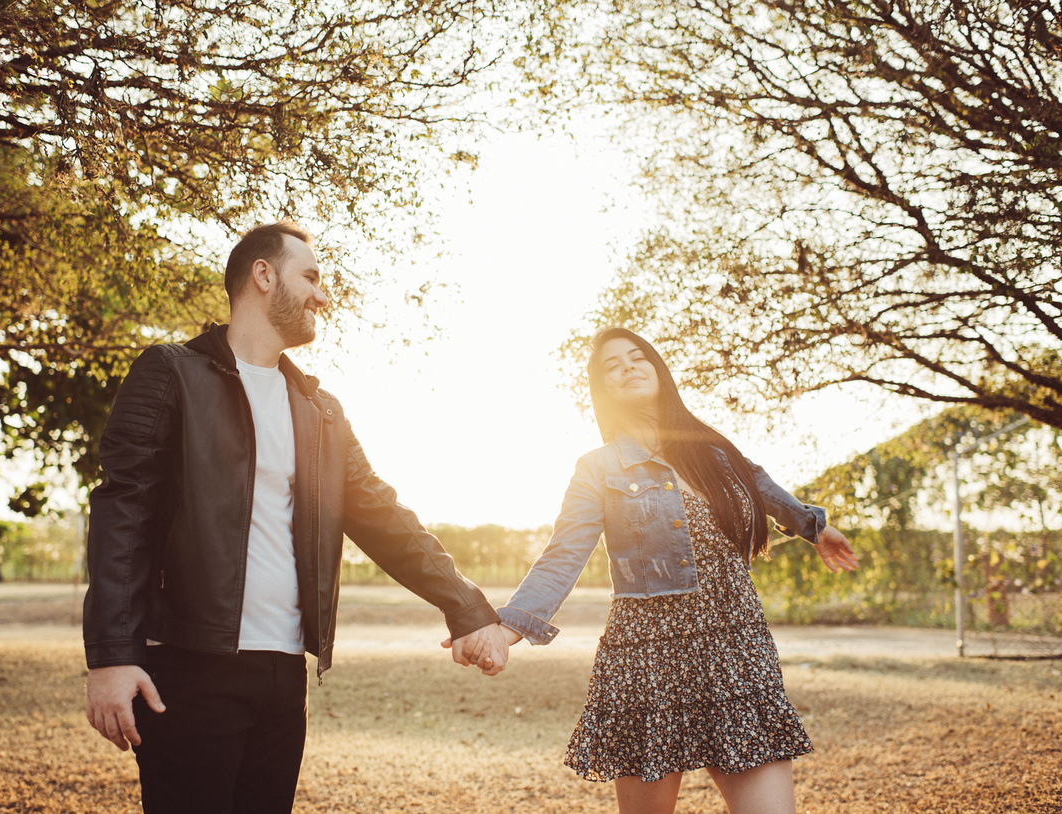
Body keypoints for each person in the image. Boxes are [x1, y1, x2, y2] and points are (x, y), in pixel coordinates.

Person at [82, 221, 509, 814]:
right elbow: (122, 513)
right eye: (310, 276)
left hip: (284, 674)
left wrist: (465, 605)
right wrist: (111, 655)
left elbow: (382, 515)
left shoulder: (319, 409)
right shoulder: (171, 374)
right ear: (263, 275)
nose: (322, 296)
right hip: (190, 667)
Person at [493, 327, 858, 814]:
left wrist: (814, 527)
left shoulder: (714, 451)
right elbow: (564, 553)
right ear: (602, 390)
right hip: (648, 657)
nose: (628, 367)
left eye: (638, 356)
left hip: (736, 650)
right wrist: (510, 626)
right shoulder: (598, 469)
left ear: (658, 369)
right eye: (612, 366)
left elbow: (763, 487)